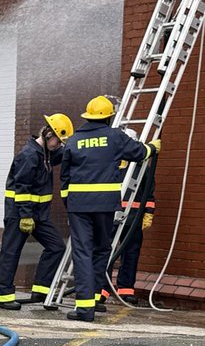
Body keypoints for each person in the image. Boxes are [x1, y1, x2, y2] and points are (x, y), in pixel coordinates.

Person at [59, 95, 160, 322]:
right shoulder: (114, 137)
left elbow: (64, 179)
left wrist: (70, 204)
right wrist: (153, 148)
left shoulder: (74, 141)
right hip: (105, 206)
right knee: (102, 249)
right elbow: (139, 153)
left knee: (82, 251)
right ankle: (95, 297)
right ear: (109, 117)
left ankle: (85, 307)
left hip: (79, 207)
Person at [0, 113, 72, 311]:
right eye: (58, 140)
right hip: (20, 213)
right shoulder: (29, 155)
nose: (59, 145)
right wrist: (26, 216)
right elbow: (22, 189)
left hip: (39, 215)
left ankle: (41, 289)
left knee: (56, 247)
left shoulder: (45, 153)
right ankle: (5, 296)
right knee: (11, 252)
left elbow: (65, 154)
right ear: (48, 134)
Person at [104, 160, 156, 306]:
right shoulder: (110, 163)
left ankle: (126, 290)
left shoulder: (142, 167)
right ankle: (101, 289)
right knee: (105, 253)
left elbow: (148, 191)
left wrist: (148, 212)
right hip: (110, 216)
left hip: (133, 218)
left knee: (131, 253)